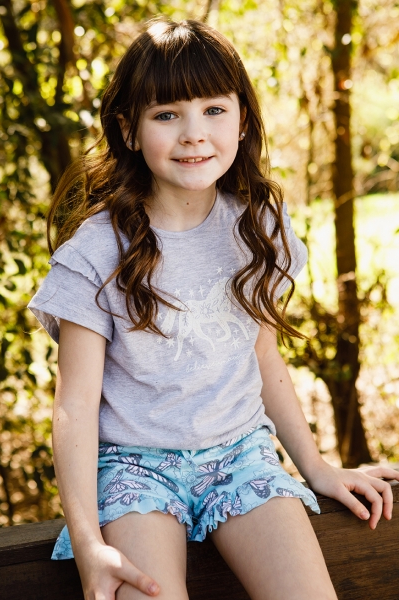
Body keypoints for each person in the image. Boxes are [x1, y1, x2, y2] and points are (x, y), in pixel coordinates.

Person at [28, 18, 398, 600]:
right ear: (128, 129)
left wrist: (316, 467)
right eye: (167, 115)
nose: (194, 134)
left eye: (214, 110)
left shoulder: (258, 227)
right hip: (134, 468)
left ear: (242, 119)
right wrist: (88, 542)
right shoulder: (96, 253)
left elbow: (263, 356)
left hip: (242, 456)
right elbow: (73, 407)